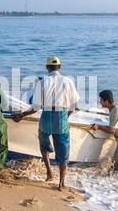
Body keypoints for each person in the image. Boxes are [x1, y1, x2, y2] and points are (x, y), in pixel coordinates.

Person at [13, 56, 79, 191]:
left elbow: (36, 107)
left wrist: (21, 115)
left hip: (47, 115)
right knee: (63, 148)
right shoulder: (68, 81)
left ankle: (49, 171)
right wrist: (66, 116)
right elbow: (74, 104)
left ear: (47, 67)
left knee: (43, 142)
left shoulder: (43, 82)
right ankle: (61, 183)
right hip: (61, 116)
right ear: (60, 67)